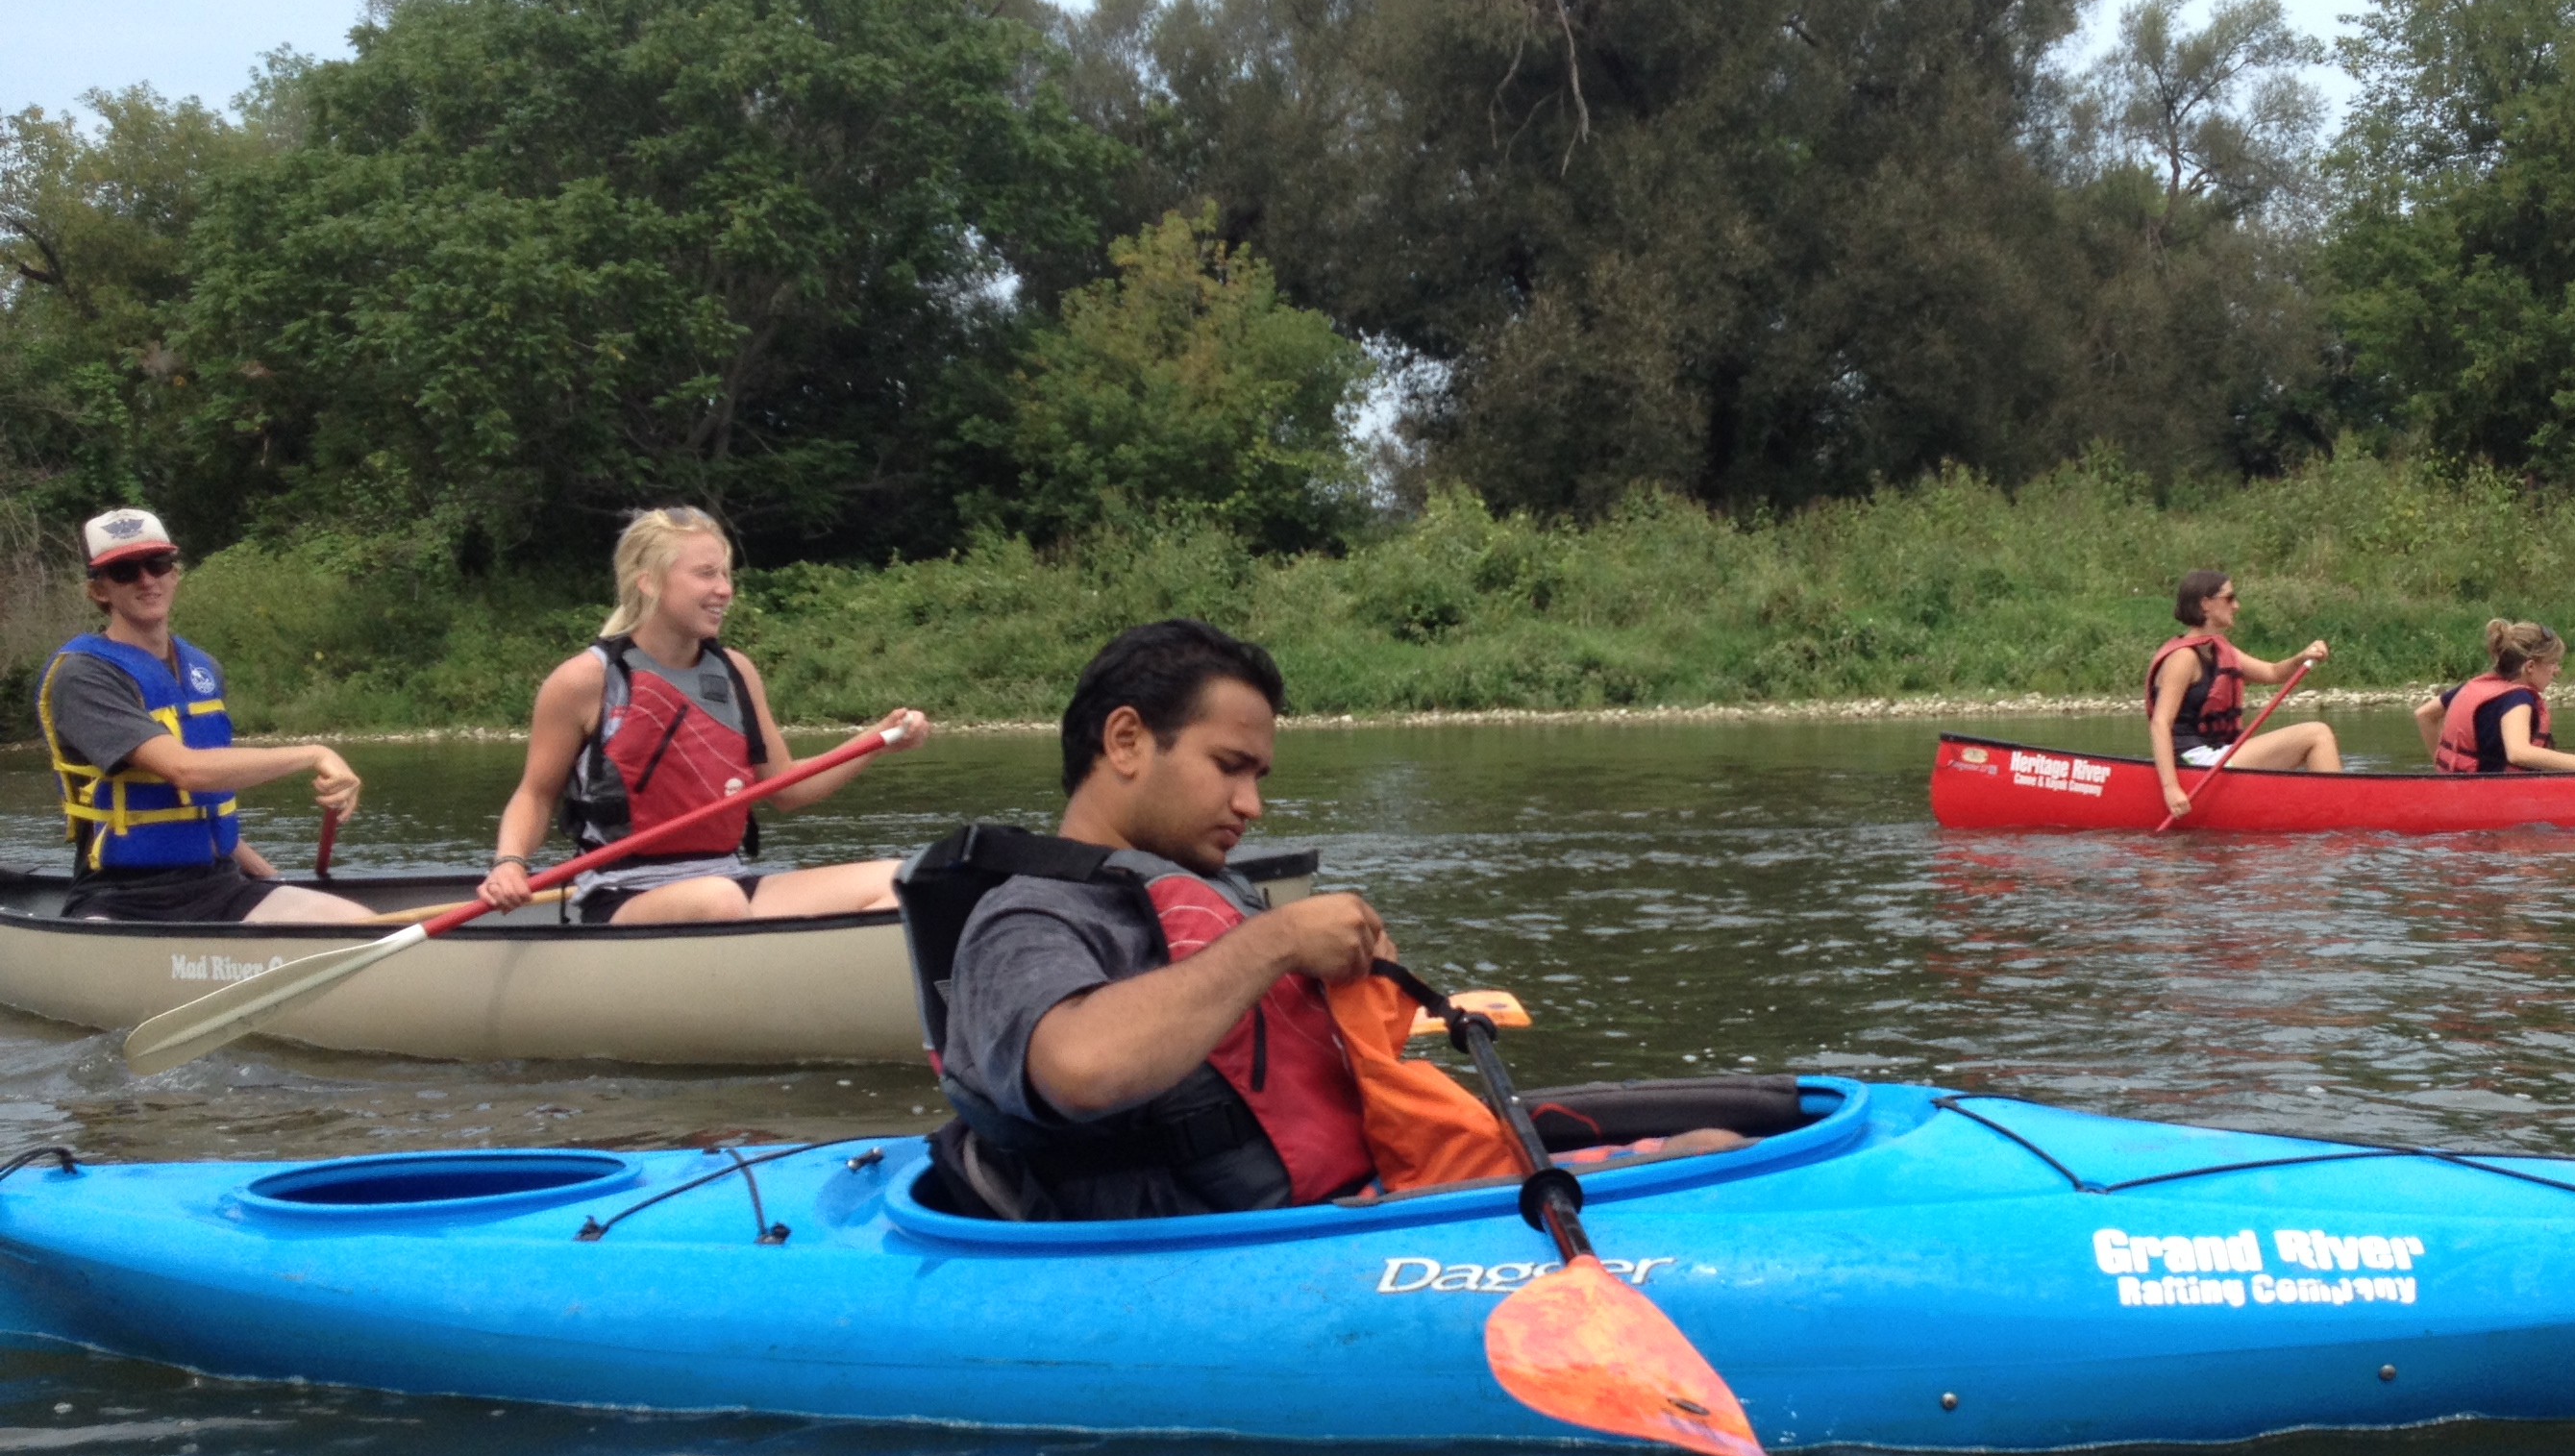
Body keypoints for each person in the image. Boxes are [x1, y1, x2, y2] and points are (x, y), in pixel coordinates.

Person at [928, 619, 1740, 1222]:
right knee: (1709, 1165)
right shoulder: (1025, 918)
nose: (1252, 804)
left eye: (1259, 774)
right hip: (1226, 1252)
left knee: (1716, 1145)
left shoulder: (1219, 901)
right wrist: (1278, 939)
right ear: (1128, 740)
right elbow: (1080, 1067)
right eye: (1229, 767)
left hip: (1347, 1201)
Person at [479, 507, 929, 923]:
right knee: (717, 900)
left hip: (727, 881)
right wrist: (509, 863)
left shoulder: (737, 673)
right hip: (624, 893)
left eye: (725, 574)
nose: (724, 589)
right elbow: (536, 795)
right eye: (706, 574)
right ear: (649, 581)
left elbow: (788, 787)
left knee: (904, 880)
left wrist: (879, 738)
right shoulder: (585, 681)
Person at [35, 507, 370, 924]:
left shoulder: (202, 668)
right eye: (124, 570)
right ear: (98, 591)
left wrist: (275, 879)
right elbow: (187, 772)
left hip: (221, 886)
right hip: (122, 898)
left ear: (175, 574)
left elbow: (202, 803)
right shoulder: (84, 675)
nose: (146, 579)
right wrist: (314, 753)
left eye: (158, 564)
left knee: (372, 929)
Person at [2145, 569, 2341, 821]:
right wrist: (2171, 789)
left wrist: (2303, 657)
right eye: (2229, 598)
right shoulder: (2183, 658)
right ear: (2206, 604)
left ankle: (2328, 811)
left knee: (2317, 736)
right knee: (2317, 734)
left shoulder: (2218, 650)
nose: (2236, 606)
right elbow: (2160, 723)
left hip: (2218, 753)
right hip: (2195, 762)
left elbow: (2272, 672)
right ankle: (2336, 815)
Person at [2414, 620, 2575, 781]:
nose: (2557, 670)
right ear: (2530, 667)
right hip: (2492, 804)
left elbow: (2424, 715)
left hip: (2461, 793)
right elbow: (2518, 752)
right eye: (2553, 663)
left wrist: (2443, 775)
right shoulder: (2517, 698)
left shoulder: (2475, 686)